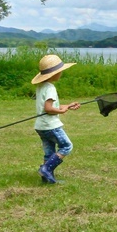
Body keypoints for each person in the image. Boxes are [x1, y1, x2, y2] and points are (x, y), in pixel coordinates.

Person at [32, 54, 81, 184]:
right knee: (67, 146)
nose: (61, 73)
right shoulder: (50, 88)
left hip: (41, 126)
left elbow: (50, 106)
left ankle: (47, 179)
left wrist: (68, 106)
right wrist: (61, 110)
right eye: (60, 71)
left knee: (49, 152)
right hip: (50, 125)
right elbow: (48, 108)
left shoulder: (41, 86)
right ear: (54, 73)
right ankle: (46, 169)